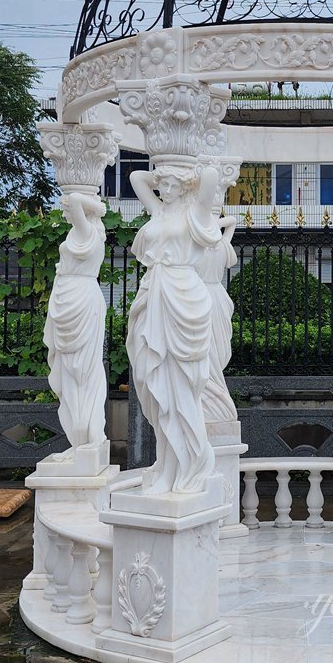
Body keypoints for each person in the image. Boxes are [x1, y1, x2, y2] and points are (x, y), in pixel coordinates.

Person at [127, 164, 221, 494]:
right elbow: (135, 178)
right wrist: (162, 175)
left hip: (183, 295)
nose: (162, 189)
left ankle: (188, 465)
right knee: (154, 385)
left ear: (183, 187)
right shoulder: (158, 210)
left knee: (181, 389)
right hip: (154, 292)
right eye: (161, 185)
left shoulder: (196, 211)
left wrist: (185, 175)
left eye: (169, 185)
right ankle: (166, 466)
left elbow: (210, 176)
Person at [44, 192, 108, 456]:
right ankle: (81, 436)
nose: (66, 211)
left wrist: (95, 206)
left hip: (79, 299)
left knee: (82, 369)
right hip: (70, 297)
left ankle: (88, 434)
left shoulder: (87, 232)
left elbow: (75, 198)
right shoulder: (85, 233)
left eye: (67, 209)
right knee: (73, 369)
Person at [197, 211, 239, 422]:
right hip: (212, 297)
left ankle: (212, 392)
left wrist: (211, 222)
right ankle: (208, 394)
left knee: (215, 351)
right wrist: (217, 223)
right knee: (209, 349)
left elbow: (230, 221)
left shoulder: (206, 246)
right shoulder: (219, 244)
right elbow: (231, 221)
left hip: (206, 296)